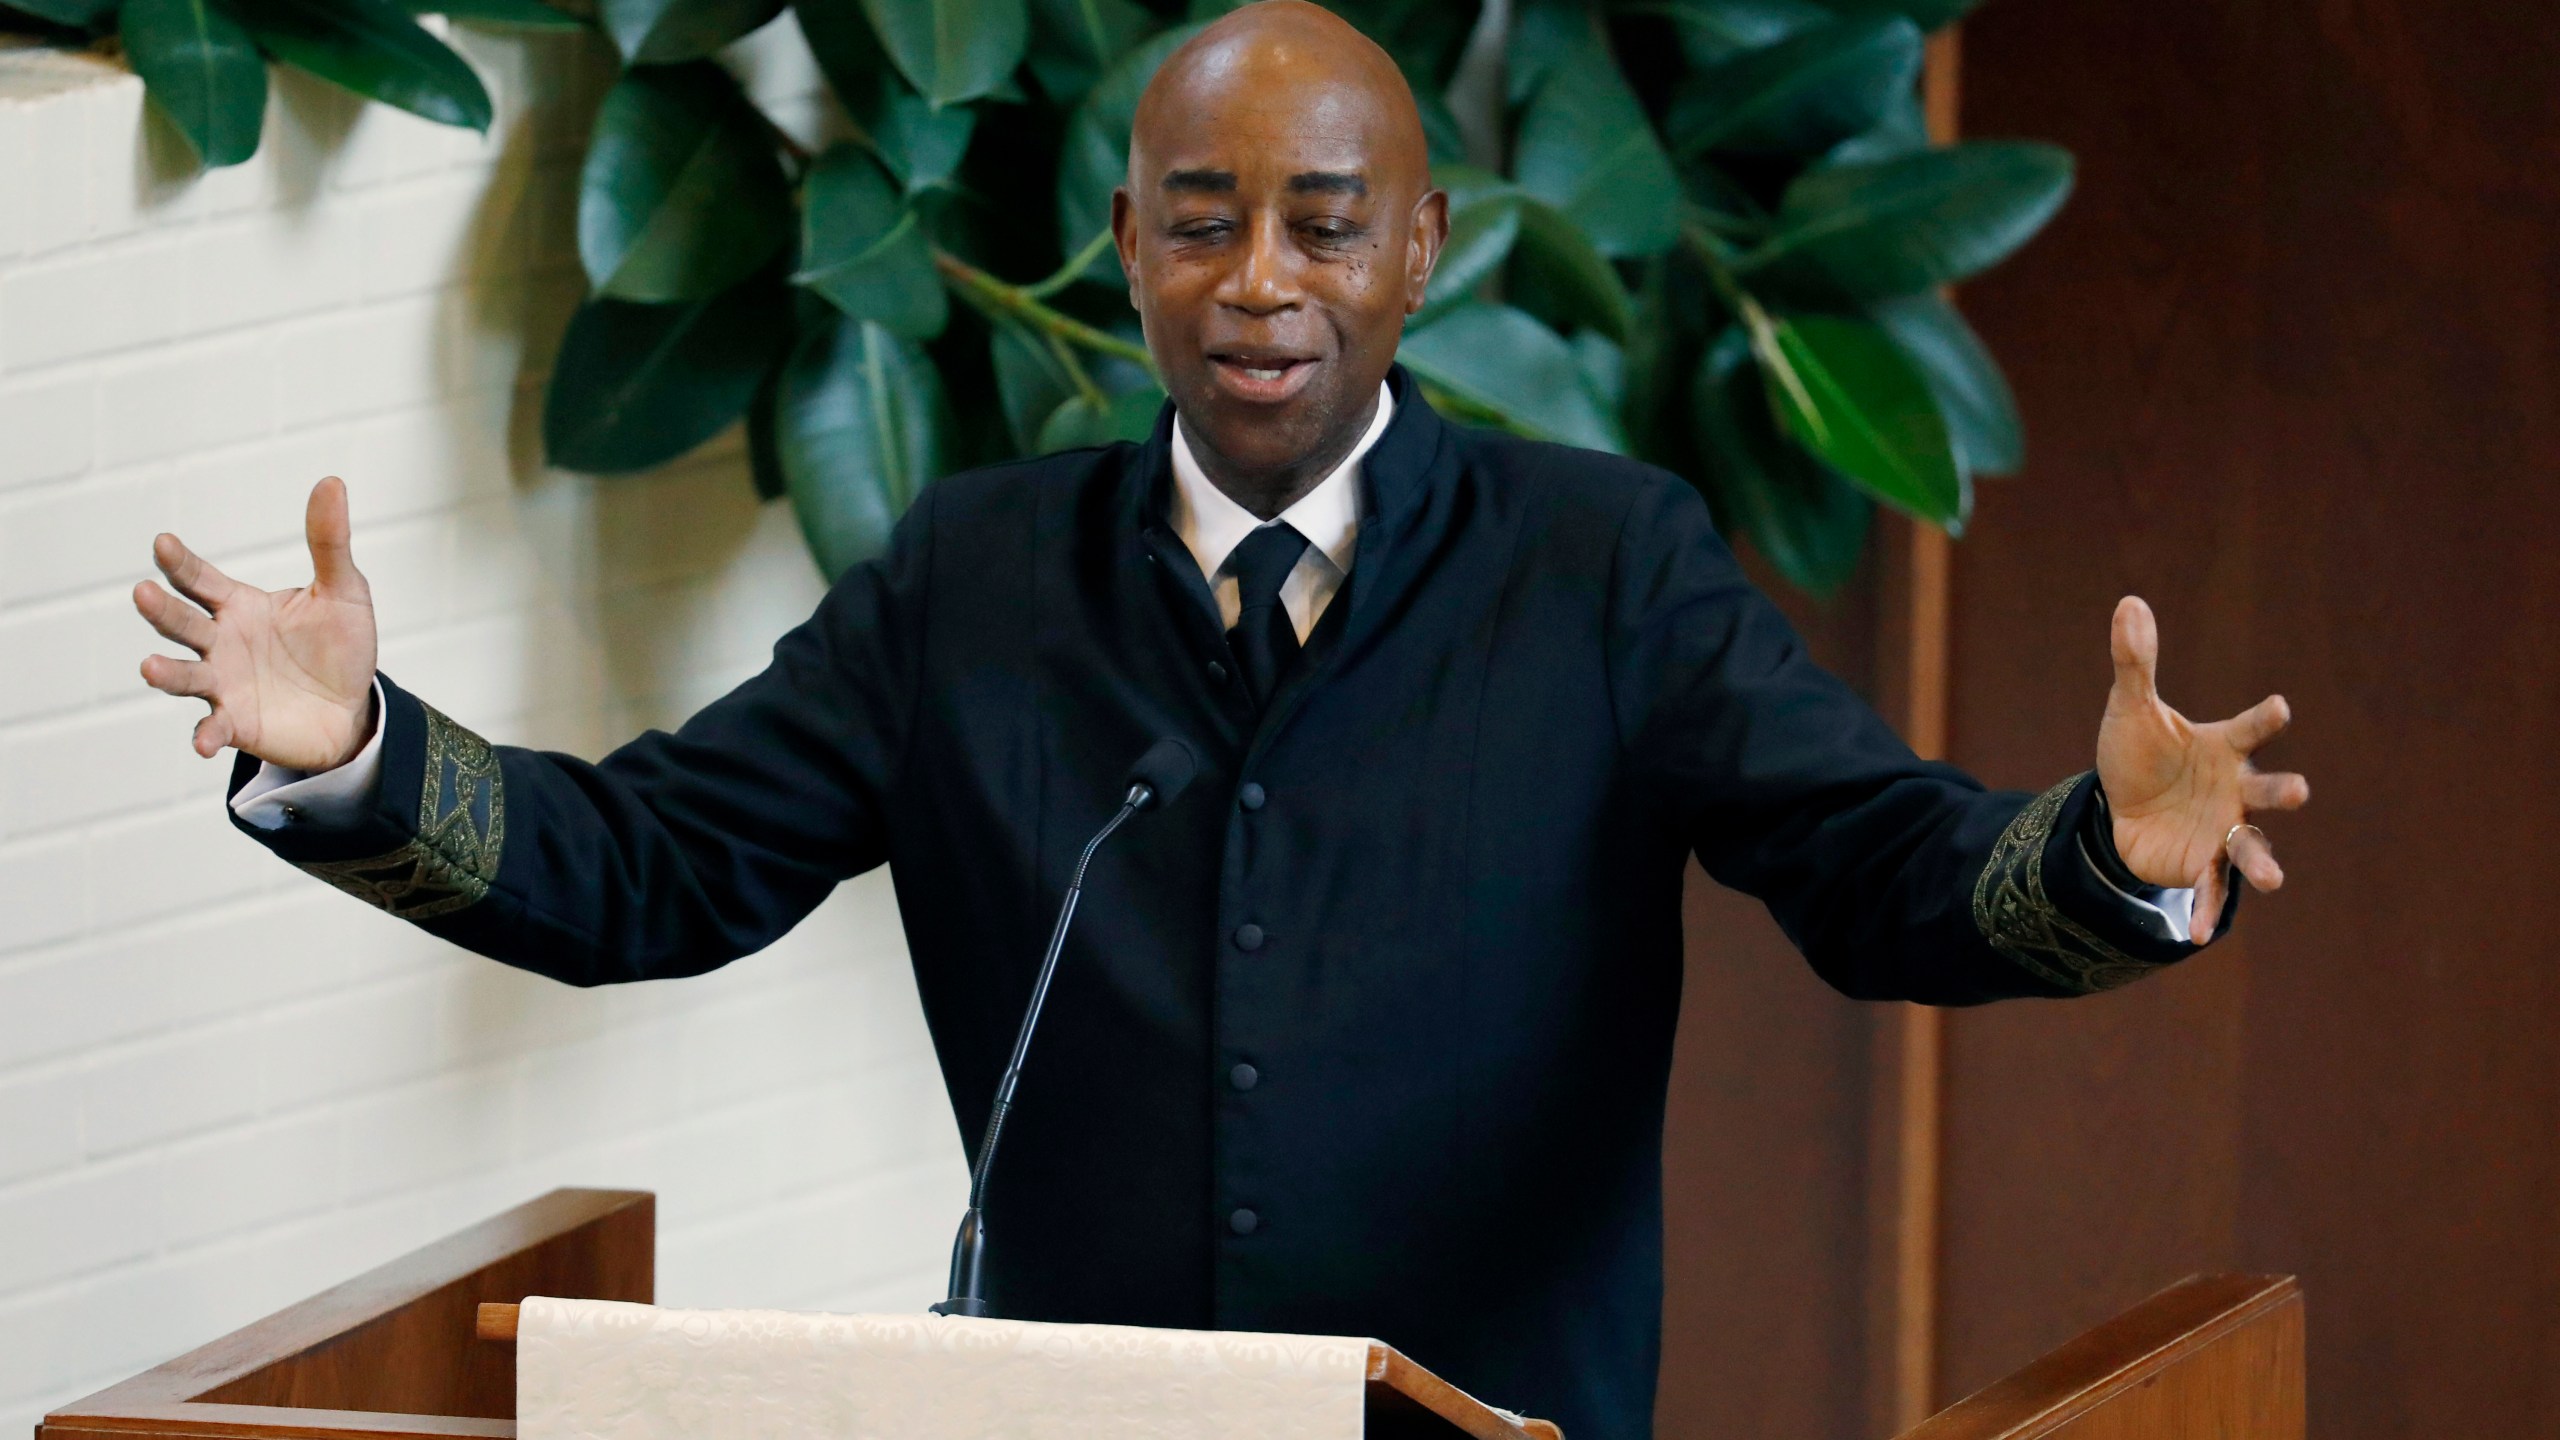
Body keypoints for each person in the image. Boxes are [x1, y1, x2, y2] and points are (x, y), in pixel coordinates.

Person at [129, 4, 2308, 1435]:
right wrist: (351, 753)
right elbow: (653, 869)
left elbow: (1877, 877)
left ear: (1420, 251)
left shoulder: (1602, 567)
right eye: (1202, 221)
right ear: (1126, 250)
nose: (1260, 277)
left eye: (1321, 224)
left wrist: (2109, 856)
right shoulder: (967, 580)